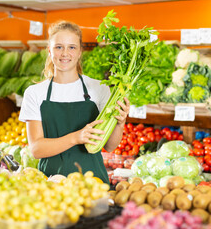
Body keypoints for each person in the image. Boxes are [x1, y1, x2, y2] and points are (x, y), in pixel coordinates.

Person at [19, 21, 129, 184]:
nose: (65, 53)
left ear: (79, 52)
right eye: (59, 47)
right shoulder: (35, 93)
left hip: (93, 182)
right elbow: (36, 149)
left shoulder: (99, 88)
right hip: (51, 183)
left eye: (71, 47)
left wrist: (120, 123)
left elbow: (111, 146)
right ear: (49, 51)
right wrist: (76, 137)